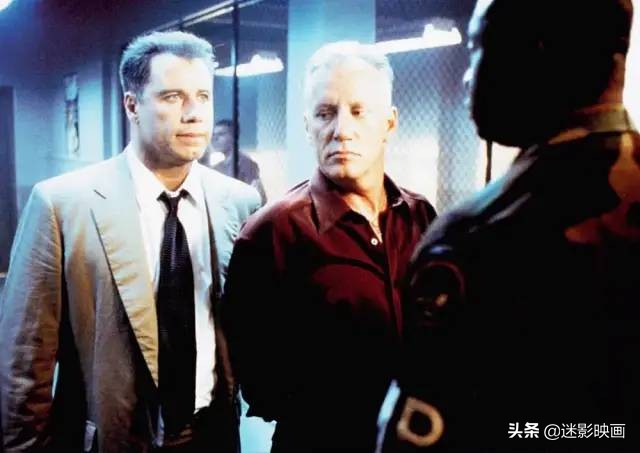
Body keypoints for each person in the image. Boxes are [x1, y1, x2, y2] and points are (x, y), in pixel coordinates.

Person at [380, 0, 639, 452]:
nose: (467, 76)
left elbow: (422, 435)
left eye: (478, 46)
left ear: (537, 50)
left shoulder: (479, 238)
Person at [0, 31, 261, 452]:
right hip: (111, 436)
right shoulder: (62, 204)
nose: (194, 114)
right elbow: (24, 361)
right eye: (173, 97)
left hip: (212, 434)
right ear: (132, 105)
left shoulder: (240, 201)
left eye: (203, 97)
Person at [222, 41, 437, 452]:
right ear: (308, 126)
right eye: (325, 114)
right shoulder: (273, 231)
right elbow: (257, 377)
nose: (341, 130)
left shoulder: (420, 215)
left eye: (359, 111)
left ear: (389, 123)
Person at [200, 119, 267, 205]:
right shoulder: (217, 168)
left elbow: (259, 198)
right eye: (213, 135)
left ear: (234, 137)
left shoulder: (245, 163)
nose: (215, 139)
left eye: (221, 134)